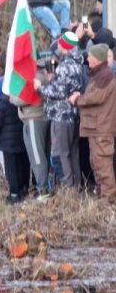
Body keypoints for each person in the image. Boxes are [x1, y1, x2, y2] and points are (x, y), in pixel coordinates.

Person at [35, 32, 85, 189]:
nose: (58, 46)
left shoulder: (64, 67)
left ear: (65, 46)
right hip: (74, 116)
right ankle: (76, 187)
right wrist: (53, 81)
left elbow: (58, 92)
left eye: (61, 44)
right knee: (73, 153)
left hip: (61, 116)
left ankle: (67, 188)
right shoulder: (78, 64)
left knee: (60, 154)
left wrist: (40, 88)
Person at [69, 44, 116, 202]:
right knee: (97, 162)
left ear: (96, 59)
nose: (87, 58)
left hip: (101, 128)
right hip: (96, 127)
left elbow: (95, 97)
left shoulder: (105, 76)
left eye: (90, 56)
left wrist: (77, 99)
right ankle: (103, 194)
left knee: (102, 164)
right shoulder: (101, 75)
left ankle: (108, 197)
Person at [13, 60, 51, 200]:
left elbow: (22, 98)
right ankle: (42, 188)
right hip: (37, 118)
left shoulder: (36, 77)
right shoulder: (43, 74)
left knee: (37, 157)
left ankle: (42, 190)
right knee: (40, 156)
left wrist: (13, 98)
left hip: (35, 119)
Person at [0, 78, 31, 204]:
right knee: (23, 165)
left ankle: (14, 194)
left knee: (11, 169)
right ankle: (24, 188)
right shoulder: (19, 100)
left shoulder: (1, 104)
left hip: (7, 143)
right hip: (22, 139)